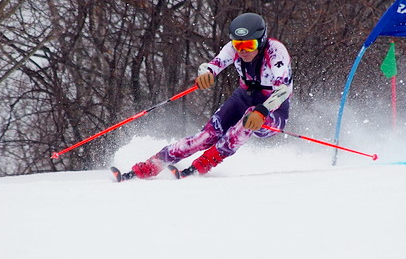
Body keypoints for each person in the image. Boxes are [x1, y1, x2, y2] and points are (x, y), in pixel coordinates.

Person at [115, 12, 292, 180]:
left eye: (249, 45)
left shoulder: (275, 52)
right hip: (243, 98)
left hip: (272, 109)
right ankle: (151, 165)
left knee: (249, 119)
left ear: (260, 41)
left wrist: (262, 111)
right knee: (206, 137)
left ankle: (205, 163)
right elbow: (211, 65)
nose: (243, 50)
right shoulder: (233, 48)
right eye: (239, 45)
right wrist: (205, 74)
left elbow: (283, 90)